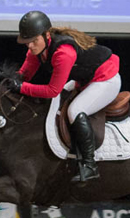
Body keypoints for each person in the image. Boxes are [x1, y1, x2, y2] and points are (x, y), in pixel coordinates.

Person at [9, 10, 121, 184]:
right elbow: (24, 75)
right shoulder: (36, 49)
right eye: (27, 42)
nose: (30, 46)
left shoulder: (64, 53)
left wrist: (21, 87)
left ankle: (89, 165)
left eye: (34, 40)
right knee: (56, 104)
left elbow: (52, 90)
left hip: (106, 79)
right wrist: (8, 79)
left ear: (46, 35)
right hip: (84, 79)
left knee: (75, 110)